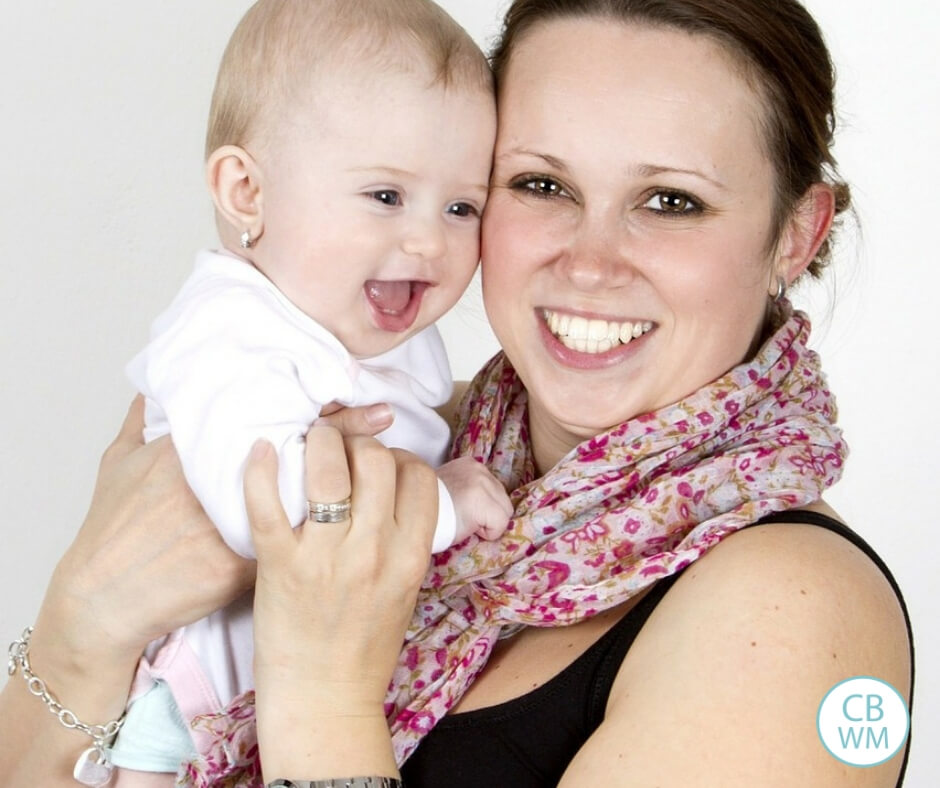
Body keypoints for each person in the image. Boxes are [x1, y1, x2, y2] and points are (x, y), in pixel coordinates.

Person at [0, 0, 914, 786]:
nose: (588, 264)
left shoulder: (793, 609)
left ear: (796, 234)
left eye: (670, 200)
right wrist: (84, 624)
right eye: (540, 183)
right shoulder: (410, 444)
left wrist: (321, 684)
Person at [111, 0, 510, 780]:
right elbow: (272, 510)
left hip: (290, 695)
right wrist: (446, 502)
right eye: (386, 196)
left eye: (462, 206)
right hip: (189, 706)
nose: (429, 239)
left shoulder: (356, 326)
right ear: (247, 192)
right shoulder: (228, 333)